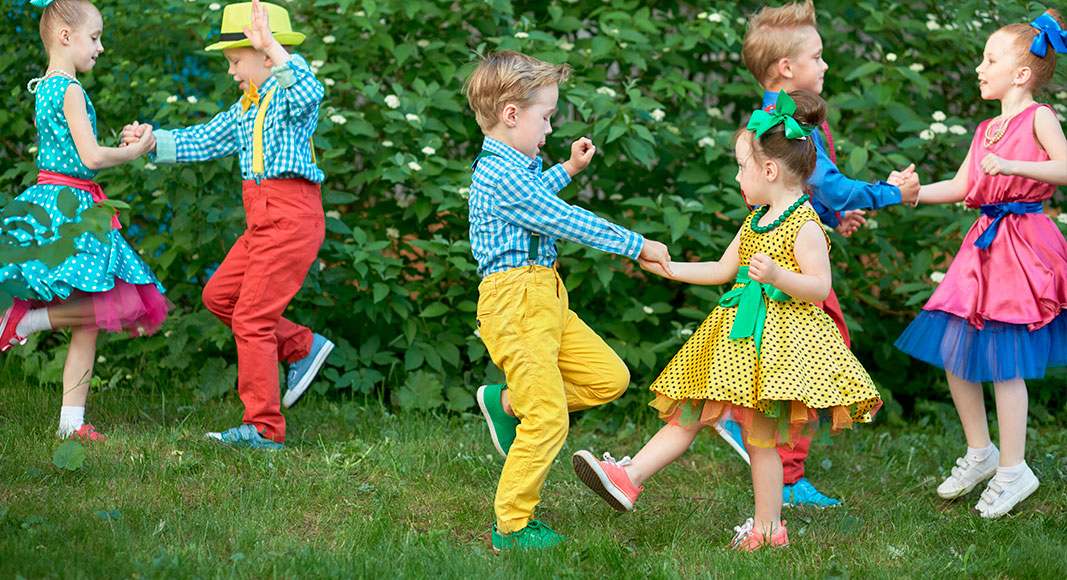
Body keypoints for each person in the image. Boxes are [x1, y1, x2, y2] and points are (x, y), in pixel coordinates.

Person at [572, 91, 881, 551]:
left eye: (742, 167)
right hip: (736, 341)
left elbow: (819, 286)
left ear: (770, 171)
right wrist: (672, 268)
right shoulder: (756, 218)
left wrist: (780, 276)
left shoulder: (805, 224)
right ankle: (629, 477)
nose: (738, 175)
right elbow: (722, 269)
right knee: (690, 410)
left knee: (761, 441)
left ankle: (769, 529)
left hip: (775, 351)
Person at [464, 50, 673, 550]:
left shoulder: (515, 170)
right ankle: (512, 526)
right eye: (547, 117)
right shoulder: (498, 174)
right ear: (511, 114)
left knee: (609, 378)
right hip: (515, 302)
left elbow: (533, 197)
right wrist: (636, 243)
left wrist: (567, 168)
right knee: (550, 418)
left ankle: (508, 403)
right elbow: (558, 218)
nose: (550, 128)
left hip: (545, 296)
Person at [714, 0, 919, 507]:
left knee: (802, 365)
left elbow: (802, 191)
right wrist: (894, 192)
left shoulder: (786, 115)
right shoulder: (783, 121)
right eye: (819, 56)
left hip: (788, 260)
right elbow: (833, 185)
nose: (826, 65)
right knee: (816, 363)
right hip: (785, 273)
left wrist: (830, 218)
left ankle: (769, 451)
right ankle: (782, 470)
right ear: (788, 68)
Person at [126, 0, 334, 450]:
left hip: (291, 216)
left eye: (236, 60)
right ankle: (300, 346)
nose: (231, 71)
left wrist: (273, 46)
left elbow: (309, 90)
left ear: (264, 55)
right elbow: (201, 139)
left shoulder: (290, 100)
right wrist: (149, 143)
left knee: (252, 318)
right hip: (262, 222)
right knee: (219, 297)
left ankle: (263, 429)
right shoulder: (244, 109)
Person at [894, 10, 1067, 518]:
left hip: (1022, 243)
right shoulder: (986, 128)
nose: (979, 67)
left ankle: (1015, 470)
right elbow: (965, 185)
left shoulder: (1039, 117)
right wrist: (913, 193)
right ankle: (981, 451)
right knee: (955, 344)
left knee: (1005, 357)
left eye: (989, 59)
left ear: (1020, 74)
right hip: (983, 245)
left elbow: (1064, 166)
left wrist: (1013, 165)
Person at [0, 0, 171, 442]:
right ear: (65, 37)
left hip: (64, 196)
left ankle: (70, 423)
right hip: (69, 205)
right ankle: (25, 323)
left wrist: (112, 144)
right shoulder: (70, 89)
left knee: (95, 315)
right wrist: (132, 152)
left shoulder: (48, 87)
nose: (100, 47)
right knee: (118, 302)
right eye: (94, 38)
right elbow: (91, 157)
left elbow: (81, 155)